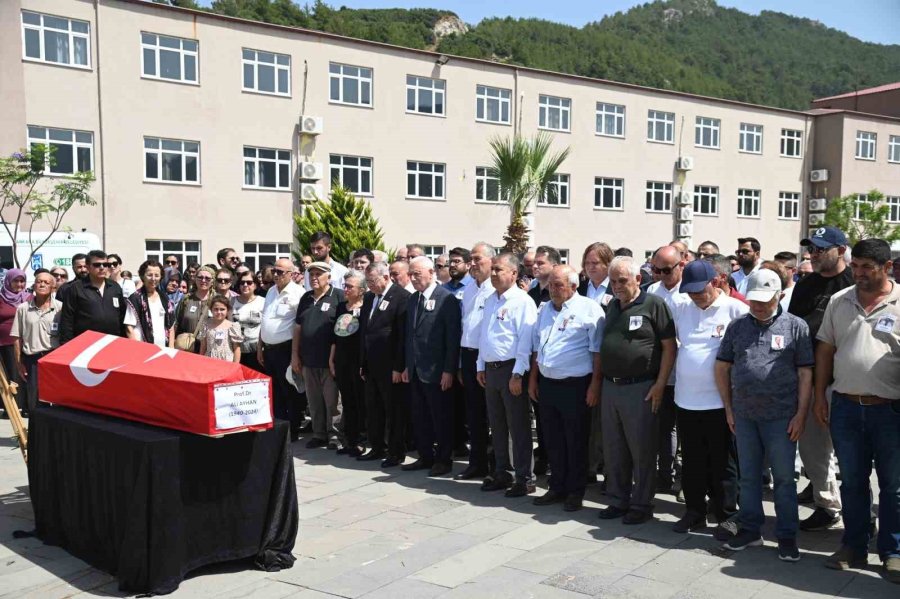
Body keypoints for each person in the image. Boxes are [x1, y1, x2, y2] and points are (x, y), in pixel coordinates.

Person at [814, 238, 900, 581]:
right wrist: (820, 395)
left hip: (891, 411)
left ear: (887, 268)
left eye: (868, 267)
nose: (859, 273)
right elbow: (825, 350)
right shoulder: (840, 300)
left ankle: (893, 551)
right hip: (846, 407)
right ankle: (854, 545)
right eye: (856, 266)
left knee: (894, 487)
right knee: (851, 482)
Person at [715, 269, 813, 562]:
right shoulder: (737, 326)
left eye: (764, 301)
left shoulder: (796, 327)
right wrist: (729, 408)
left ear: (779, 296)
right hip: (744, 415)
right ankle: (750, 530)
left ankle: (785, 535)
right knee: (749, 477)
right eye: (754, 300)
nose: (757, 306)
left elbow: (805, 372)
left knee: (784, 479)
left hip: (782, 417)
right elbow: (722, 367)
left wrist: (801, 414)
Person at [669, 260, 748, 533]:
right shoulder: (682, 308)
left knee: (722, 462)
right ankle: (694, 511)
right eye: (689, 291)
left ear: (715, 282)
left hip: (719, 403)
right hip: (686, 400)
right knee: (692, 460)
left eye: (698, 291)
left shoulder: (736, 310)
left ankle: (726, 514)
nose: (694, 296)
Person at [597, 256, 676, 524]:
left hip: (640, 388)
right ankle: (618, 500)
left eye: (623, 281)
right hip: (611, 387)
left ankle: (641, 504)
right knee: (614, 447)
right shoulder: (612, 306)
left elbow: (669, 347)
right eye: (613, 281)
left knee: (641, 449)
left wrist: (660, 384)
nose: (617, 286)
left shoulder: (654, 304)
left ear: (638, 279)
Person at [787, 226, 851, 533]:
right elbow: (796, 328)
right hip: (811, 379)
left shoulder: (853, 283)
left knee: (853, 453)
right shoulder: (805, 284)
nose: (813, 254)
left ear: (840, 250)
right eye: (811, 249)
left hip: (848, 381)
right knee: (813, 449)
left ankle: (860, 514)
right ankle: (827, 506)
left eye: (820, 249)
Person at [530, 265, 604, 512]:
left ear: (574, 286)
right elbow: (536, 347)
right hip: (548, 383)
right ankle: (557, 486)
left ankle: (575, 490)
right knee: (552, 439)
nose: (553, 289)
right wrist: (533, 380)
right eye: (550, 284)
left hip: (576, 385)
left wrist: (594, 386)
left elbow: (597, 352)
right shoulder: (545, 310)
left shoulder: (589, 309)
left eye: (558, 285)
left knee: (575, 440)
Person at [477, 253, 538, 497]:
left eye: (498, 269)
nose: (493, 273)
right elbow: (485, 334)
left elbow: (526, 341)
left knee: (518, 427)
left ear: (513, 274)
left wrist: (518, 373)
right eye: (492, 269)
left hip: (511, 369)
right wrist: (480, 365)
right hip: (491, 370)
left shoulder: (522, 301)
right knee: (498, 425)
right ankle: (503, 471)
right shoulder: (491, 299)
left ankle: (525, 477)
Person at [401, 256, 461, 477]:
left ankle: (444, 459)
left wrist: (448, 370)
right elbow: (411, 336)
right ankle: (425, 456)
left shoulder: (446, 299)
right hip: (416, 369)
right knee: (420, 416)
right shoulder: (413, 299)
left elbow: (452, 338)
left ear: (431, 272)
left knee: (441, 417)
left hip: (437, 370)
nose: (413, 278)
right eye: (411, 274)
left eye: (417, 273)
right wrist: (408, 365)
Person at [358, 261, 411, 467]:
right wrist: (362, 362)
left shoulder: (401, 297)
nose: (369, 285)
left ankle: (396, 451)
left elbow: (400, 336)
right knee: (373, 408)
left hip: (390, 366)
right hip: (371, 365)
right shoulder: (370, 297)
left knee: (393, 410)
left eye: (372, 281)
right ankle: (377, 446)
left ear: (386, 277)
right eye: (367, 281)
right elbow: (366, 330)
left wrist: (398, 367)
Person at [647, 245, 691, 497]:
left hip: (684, 373)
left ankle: (687, 478)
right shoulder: (653, 292)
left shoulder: (688, 293)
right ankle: (664, 474)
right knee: (663, 427)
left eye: (665, 270)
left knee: (686, 430)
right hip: (660, 373)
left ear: (681, 265)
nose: (660, 275)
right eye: (655, 269)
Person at [293, 261, 344, 449]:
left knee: (332, 401)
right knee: (313, 401)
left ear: (328, 277)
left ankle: (335, 436)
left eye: (318, 274)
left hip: (329, 361)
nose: (314, 278)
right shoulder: (306, 298)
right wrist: (295, 355)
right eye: (311, 274)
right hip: (308, 359)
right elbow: (298, 328)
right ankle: (319, 434)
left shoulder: (338, 297)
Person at [454, 242, 494, 480]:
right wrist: (460, 363)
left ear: (491, 260)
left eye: (478, 259)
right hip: (468, 356)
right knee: (474, 413)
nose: (473, 264)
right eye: (472, 259)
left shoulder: (495, 290)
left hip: (487, 357)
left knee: (493, 415)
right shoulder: (469, 289)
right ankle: (477, 462)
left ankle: (496, 463)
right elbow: (464, 326)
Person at [259, 258, 305, 438]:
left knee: (289, 390)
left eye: (280, 272)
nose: (276, 275)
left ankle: (292, 429)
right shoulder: (271, 291)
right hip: (269, 348)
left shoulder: (298, 293)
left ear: (292, 274)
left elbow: (299, 325)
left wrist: (295, 355)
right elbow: (265, 320)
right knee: (275, 390)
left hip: (287, 349)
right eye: (274, 271)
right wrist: (260, 346)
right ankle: (279, 427)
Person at [528, 246, 562, 476]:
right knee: (541, 416)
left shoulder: (557, 294)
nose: (535, 266)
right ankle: (543, 453)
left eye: (541, 263)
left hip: (558, 366)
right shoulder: (531, 294)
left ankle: (554, 458)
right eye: (534, 263)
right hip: (535, 362)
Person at [11, 270, 61, 415]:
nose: (42, 284)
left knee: (54, 399)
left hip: (53, 358)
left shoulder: (60, 308)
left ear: (53, 287)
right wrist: (19, 362)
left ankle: (52, 434)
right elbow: (16, 336)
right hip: (32, 360)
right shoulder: (23, 309)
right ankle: (36, 435)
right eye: (39, 281)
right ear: (33, 285)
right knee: (35, 400)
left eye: (46, 282)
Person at [330, 270, 366, 457]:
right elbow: (335, 334)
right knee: (348, 401)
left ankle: (361, 439)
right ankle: (350, 440)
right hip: (342, 359)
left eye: (350, 286)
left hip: (358, 361)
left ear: (361, 290)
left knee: (361, 400)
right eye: (345, 285)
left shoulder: (367, 306)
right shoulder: (341, 307)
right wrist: (332, 358)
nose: (346, 289)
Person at [59, 250, 127, 344]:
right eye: (97, 265)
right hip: (85, 345)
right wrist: (67, 346)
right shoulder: (75, 288)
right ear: (88, 267)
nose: (102, 268)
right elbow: (67, 320)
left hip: (112, 343)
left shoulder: (115, 287)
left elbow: (122, 315)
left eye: (105, 264)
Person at [0, 269, 32, 416]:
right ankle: (10, 409)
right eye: (15, 281)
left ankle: (25, 407)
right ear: (8, 281)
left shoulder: (29, 297)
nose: (19, 284)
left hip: (25, 342)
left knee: (24, 374)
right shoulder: (1, 298)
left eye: (22, 281)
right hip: (5, 343)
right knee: (9, 375)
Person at [124, 260, 175, 349]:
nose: (153, 279)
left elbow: (171, 327)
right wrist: (136, 348)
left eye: (157, 275)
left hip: (163, 350)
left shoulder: (165, 298)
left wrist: (171, 349)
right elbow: (129, 328)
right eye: (149, 275)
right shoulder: (135, 298)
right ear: (142, 276)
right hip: (142, 350)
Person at [173, 266, 215, 352]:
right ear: (195, 279)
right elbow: (176, 323)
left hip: (210, 348)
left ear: (212, 281)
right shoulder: (186, 299)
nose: (203, 280)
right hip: (188, 346)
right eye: (200, 277)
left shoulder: (217, 300)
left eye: (207, 278)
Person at [232, 270, 265, 372]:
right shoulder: (231, 301)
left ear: (255, 285)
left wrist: (260, 349)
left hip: (256, 352)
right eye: (242, 282)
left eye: (249, 282)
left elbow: (265, 327)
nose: (245, 285)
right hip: (236, 351)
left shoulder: (263, 302)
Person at [199, 295, 242, 363]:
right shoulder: (206, 325)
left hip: (227, 361)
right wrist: (201, 361)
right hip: (209, 360)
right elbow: (203, 346)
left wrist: (235, 365)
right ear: (211, 310)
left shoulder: (232, 326)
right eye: (216, 309)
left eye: (222, 309)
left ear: (227, 310)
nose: (219, 312)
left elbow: (237, 349)